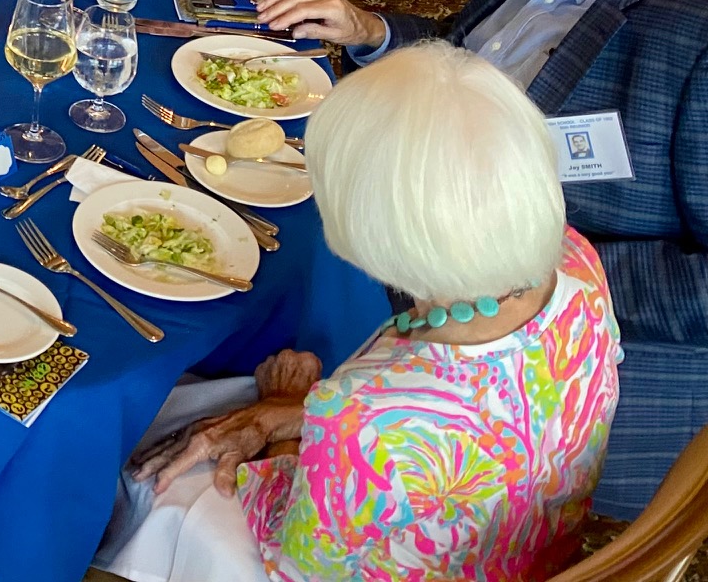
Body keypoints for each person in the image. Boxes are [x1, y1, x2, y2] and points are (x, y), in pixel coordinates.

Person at [256, 0, 706, 519]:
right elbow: (474, 62)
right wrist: (370, 30)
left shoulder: (694, 33)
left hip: (533, 378)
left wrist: (512, 276)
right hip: (418, 266)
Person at [98, 41, 619, 580]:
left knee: (156, 471)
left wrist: (293, 418)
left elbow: (302, 565)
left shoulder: (362, 421)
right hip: (528, 547)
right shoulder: (576, 261)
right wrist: (303, 413)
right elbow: (484, 420)